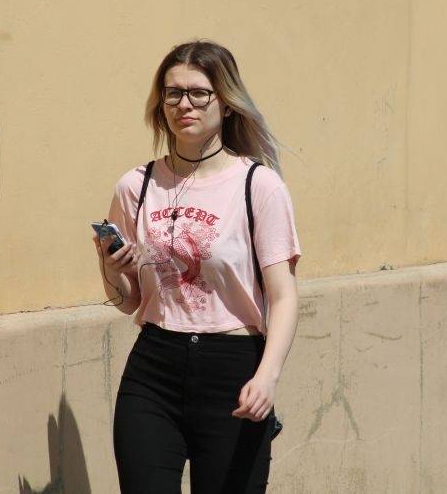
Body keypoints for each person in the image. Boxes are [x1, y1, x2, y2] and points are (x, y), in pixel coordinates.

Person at [92, 40, 301, 493]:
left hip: (233, 370)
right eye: (172, 93)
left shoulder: (258, 186)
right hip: (154, 368)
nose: (183, 104)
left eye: (198, 93)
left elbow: (283, 296)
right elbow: (128, 301)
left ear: (225, 103)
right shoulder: (136, 187)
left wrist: (267, 377)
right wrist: (111, 267)